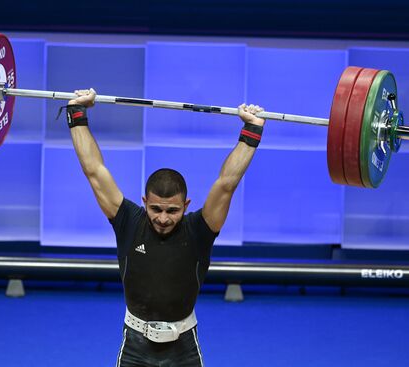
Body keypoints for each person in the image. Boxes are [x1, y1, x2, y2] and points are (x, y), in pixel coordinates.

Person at [65, 88, 265, 367]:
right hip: (136, 343)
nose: (163, 218)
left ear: (186, 205)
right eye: (155, 209)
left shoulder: (200, 229)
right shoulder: (128, 221)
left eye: (173, 211)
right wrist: (77, 112)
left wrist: (251, 130)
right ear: (145, 202)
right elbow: (94, 170)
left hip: (184, 346)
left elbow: (226, 184)